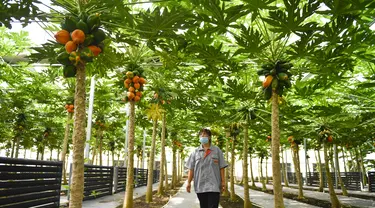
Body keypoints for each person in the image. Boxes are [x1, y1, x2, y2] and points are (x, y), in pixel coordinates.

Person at [185, 128, 228, 208]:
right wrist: (188, 182)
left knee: (213, 206)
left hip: (214, 185)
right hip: (200, 185)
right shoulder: (195, 152)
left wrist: (223, 182)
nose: (202, 137)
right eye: (201, 135)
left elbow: (221, 167)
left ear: (209, 137)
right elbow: (191, 169)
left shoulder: (217, 150)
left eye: (205, 135)